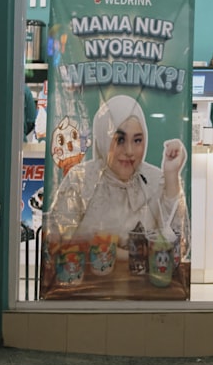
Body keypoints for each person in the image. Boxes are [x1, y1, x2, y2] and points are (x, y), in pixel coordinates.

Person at [47, 94, 188, 265]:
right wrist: (127, 255)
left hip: (143, 288)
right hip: (89, 287)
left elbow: (180, 247)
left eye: (137, 140)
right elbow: (55, 242)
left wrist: (172, 176)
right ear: (103, 139)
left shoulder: (154, 180)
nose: (129, 150)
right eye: (119, 140)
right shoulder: (81, 180)